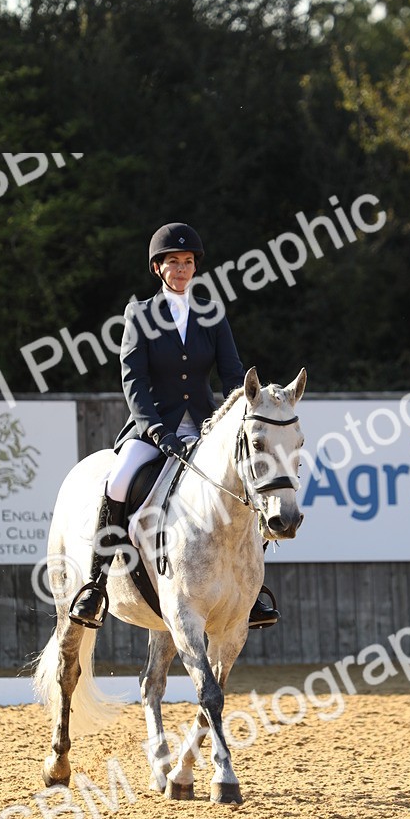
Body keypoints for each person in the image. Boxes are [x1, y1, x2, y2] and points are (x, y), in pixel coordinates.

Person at [68, 222, 280, 630]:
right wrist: (157, 432)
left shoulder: (211, 313)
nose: (181, 269)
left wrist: (241, 413)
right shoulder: (140, 314)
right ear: (158, 267)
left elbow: (233, 373)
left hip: (204, 429)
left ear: (194, 267)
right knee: (118, 482)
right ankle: (95, 585)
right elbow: (134, 380)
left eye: (187, 262)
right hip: (152, 430)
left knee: (244, 484)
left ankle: (250, 592)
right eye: (172, 262)